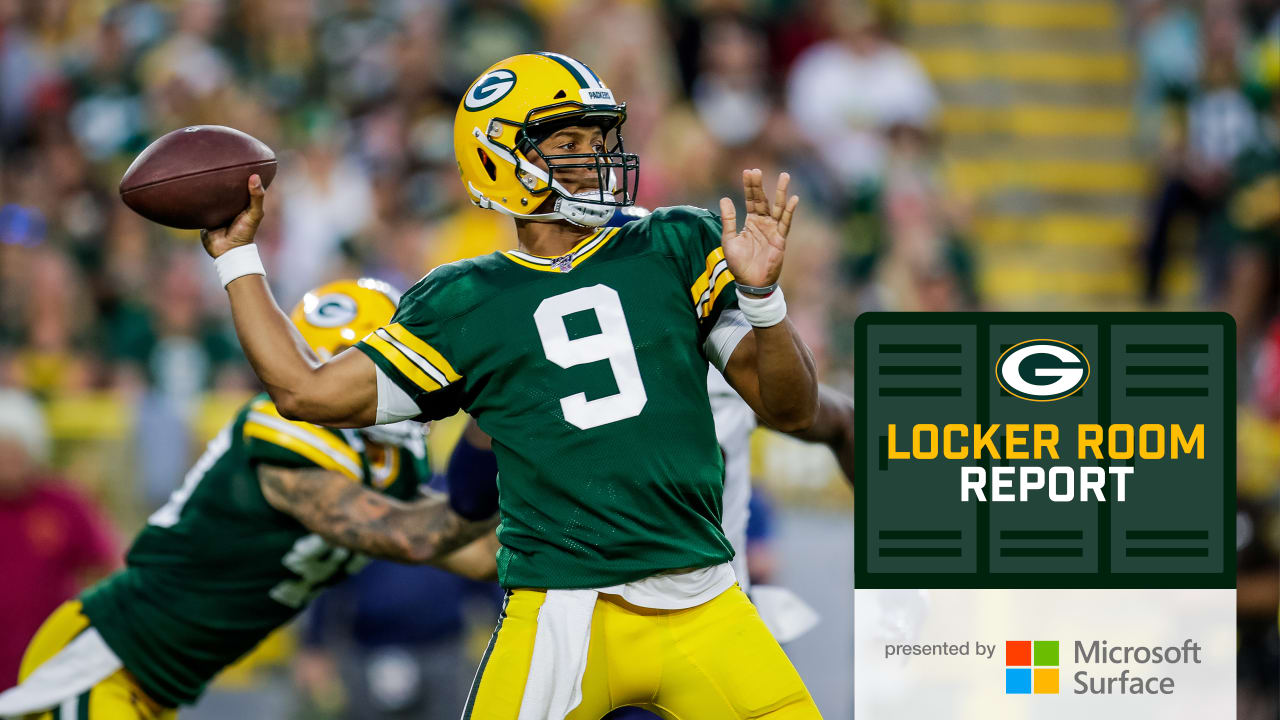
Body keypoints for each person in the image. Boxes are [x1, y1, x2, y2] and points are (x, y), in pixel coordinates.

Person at [196, 52, 823, 718]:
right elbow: (305, 393)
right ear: (499, 159)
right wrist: (238, 256)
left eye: (600, 139)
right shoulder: (463, 300)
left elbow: (792, 404)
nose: (596, 158)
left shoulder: (675, 243)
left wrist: (763, 300)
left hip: (702, 595)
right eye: (570, 143)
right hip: (562, 610)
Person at [0, 279, 498, 720]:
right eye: (394, 366)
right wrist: (494, 415)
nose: (415, 383)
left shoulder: (385, 465)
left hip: (157, 685)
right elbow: (412, 536)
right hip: (107, 662)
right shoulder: (290, 435)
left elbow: (478, 558)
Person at [0, 389, 119, 689]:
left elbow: (107, 568)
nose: (9, 461)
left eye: (17, 451)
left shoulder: (64, 503)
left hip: (50, 669)